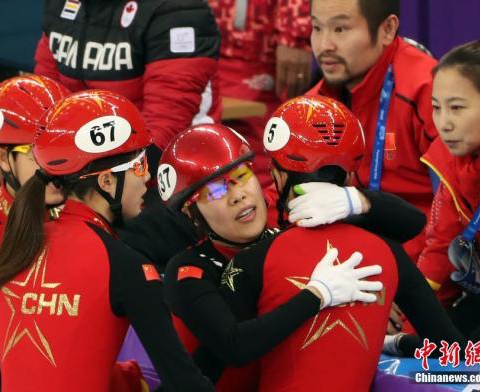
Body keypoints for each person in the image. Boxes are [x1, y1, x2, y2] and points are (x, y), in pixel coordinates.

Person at [219, 95, 463, 391]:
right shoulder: (389, 253)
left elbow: (227, 368)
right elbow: (453, 352)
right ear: (349, 174)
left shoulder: (252, 259)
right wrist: (392, 343)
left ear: (279, 176)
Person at [0, 90, 213, 391]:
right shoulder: (126, 266)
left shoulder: (18, 245)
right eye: (140, 166)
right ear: (106, 182)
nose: (148, 179)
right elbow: (184, 381)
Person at [159, 122, 387, 389]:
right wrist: (317, 295)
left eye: (242, 176)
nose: (238, 195)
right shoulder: (188, 271)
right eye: (217, 190)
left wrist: (356, 200)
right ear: (191, 212)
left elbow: (411, 223)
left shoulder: (284, 239)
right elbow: (234, 347)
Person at [0, 0, 222, 206]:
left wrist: (70, 184)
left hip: (166, 175)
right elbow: (41, 111)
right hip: (81, 163)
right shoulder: (63, 6)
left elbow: (163, 132)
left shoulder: (178, 10)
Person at [307, 0, 438, 262]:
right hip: (349, 262)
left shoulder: (430, 94)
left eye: (340, 29)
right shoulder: (315, 104)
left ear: (387, 29)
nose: (324, 46)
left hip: (422, 265)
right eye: (317, 28)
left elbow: (458, 212)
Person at [0, 75, 68, 392]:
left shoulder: (93, 233)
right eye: (34, 152)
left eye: (61, 147)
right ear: (2, 159)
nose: (53, 165)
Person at [418, 39, 480, 352]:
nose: (444, 124)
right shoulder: (457, 159)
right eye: (436, 108)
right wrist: (406, 320)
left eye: (457, 108)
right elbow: (440, 251)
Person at [207, 0, 313, 186]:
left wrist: (295, 31)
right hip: (205, 39)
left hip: (262, 49)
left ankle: (268, 209)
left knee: (264, 154)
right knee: (211, 150)